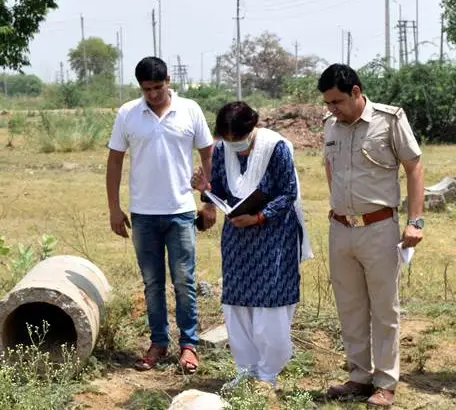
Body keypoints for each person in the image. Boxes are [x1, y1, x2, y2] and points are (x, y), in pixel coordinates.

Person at [319, 64, 424, 407]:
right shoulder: (330, 127)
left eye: (336, 101)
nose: (331, 108)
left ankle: (386, 381)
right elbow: (329, 169)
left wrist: (416, 221)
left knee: (383, 308)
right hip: (341, 229)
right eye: (327, 103)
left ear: (355, 92)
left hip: (379, 228)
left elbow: (414, 167)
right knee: (349, 306)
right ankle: (359, 376)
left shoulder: (389, 120)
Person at [190, 101, 312, 389]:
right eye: (228, 140)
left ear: (252, 128)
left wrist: (259, 217)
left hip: (273, 238)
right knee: (238, 302)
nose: (235, 146)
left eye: (239, 140)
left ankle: (268, 373)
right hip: (238, 239)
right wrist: (205, 190)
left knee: (270, 301)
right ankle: (246, 370)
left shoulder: (276, 148)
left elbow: (288, 193)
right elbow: (220, 189)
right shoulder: (221, 151)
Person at [106, 56, 214, 373]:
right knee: (152, 283)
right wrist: (114, 208)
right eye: (146, 89)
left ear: (169, 80)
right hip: (143, 215)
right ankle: (158, 343)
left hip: (181, 212)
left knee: (184, 281)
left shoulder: (190, 110)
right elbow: (114, 162)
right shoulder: (128, 113)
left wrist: (208, 202)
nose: (153, 94)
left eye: (158, 86)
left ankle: (189, 346)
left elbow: (209, 155)